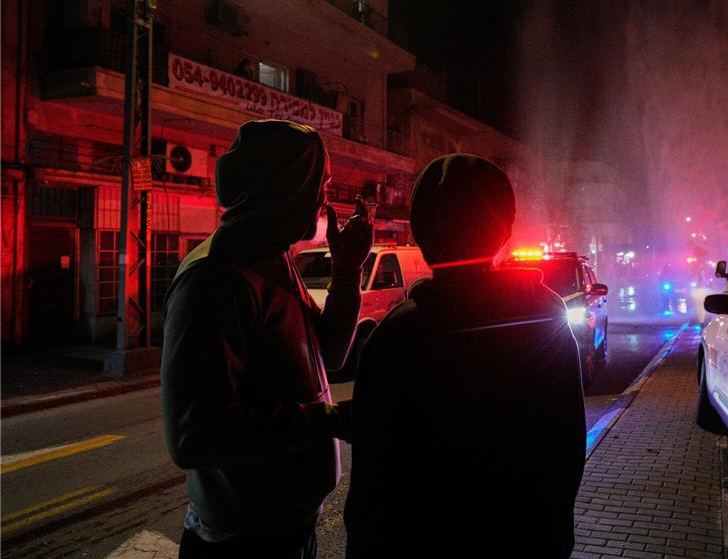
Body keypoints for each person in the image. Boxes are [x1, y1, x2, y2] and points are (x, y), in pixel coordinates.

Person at [344, 154, 586, 558]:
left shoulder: (396, 336)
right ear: (504, 228)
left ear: (420, 232)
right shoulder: (545, 318)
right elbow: (565, 452)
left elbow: (373, 481)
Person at [161, 119, 372, 558]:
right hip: (243, 545)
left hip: (287, 533)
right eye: (320, 184)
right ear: (285, 186)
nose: (323, 201)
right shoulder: (215, 278)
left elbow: (330, 354)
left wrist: (348, 273)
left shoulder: (275, 260)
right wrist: (329, 420)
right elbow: (193, 436)